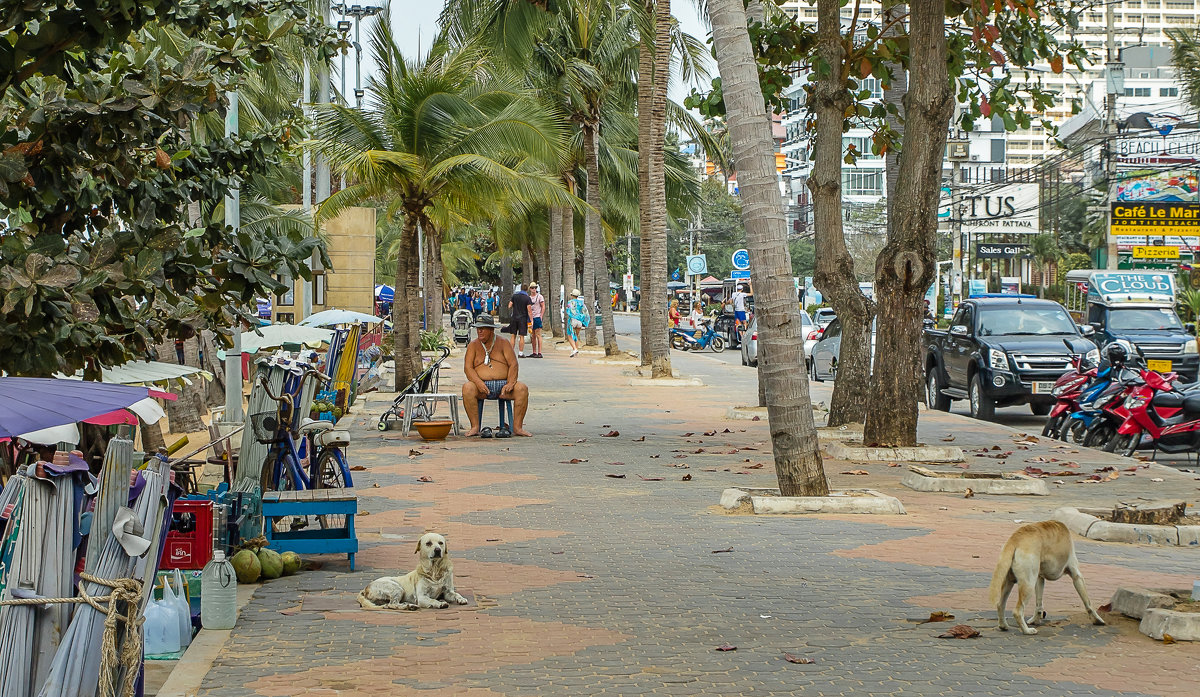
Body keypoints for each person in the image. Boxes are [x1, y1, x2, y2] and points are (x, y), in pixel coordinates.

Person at [462, 314, 531, 437]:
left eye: (483, 328)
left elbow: (513, 364)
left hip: (504, 385)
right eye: (478, 328)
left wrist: (510, 383)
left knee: (522, 388)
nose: (480, 331)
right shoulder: (473, 345)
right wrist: (478, 382)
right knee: (467, 388)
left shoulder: (503, 343)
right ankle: (475, 426)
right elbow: (468, 368)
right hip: (481, 386)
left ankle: (517, 427)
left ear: (491, 329)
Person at [507, 283, 533, 357]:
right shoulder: (527, 298)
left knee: (513, 335)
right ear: (527, 289)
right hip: (523, 318)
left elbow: (509, 306)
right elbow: (529, 310)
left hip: (514, 317)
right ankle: (520, 353)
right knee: (522, 336)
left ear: (520, 288)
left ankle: (511, 352)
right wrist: (531, 320)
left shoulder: (514, 296)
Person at [564, 288, 590, 357]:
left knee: (570, 336)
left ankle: (575, 349)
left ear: (572, 295)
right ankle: (576, 352)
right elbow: (585, 312)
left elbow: (568, 311)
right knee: (576, 336)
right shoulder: (581, 303)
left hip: (573, 320)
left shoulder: (570, 302)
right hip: (579, 322)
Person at [528, 282, 546, 358]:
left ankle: (539, 352)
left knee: (538, 334)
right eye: (532, 288)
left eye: (535, 287)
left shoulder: (540, 297)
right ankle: (534, 352)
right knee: (532, 335)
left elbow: (543, 306)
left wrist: (541, 316)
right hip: (530, 319)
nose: (534, 289)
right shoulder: (528, 298)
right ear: (530, 289)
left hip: (537, 317)